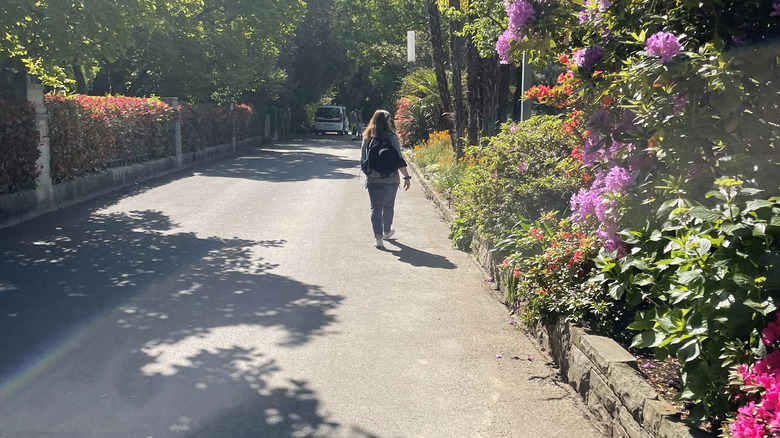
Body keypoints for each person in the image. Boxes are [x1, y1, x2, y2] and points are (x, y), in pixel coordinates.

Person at [360, 109, 412, 249]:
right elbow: (398, 159)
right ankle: (387, 231)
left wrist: (370, 174)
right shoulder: (392, 137)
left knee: (375, 208)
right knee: (388, 206)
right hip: (391, 179)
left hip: (373, 179)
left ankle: (378, 239)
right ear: (388, 121)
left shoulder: (367, 137)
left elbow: (363, 160)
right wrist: (406, 176)